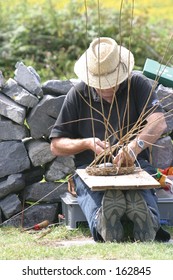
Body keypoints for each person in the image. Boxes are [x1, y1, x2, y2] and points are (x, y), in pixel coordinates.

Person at [50, 37, 170, 242]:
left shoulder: (137, 84)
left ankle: (146, 218)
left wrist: (134, 147)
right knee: (91, 189)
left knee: (142, 184)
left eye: (111, 81)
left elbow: (158, 122)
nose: (106, 88)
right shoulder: (78, 93)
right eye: (100, 84)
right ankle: (103, 221)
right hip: (90, 167)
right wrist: (86, 143)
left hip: (136, 164)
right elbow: (56, 145)